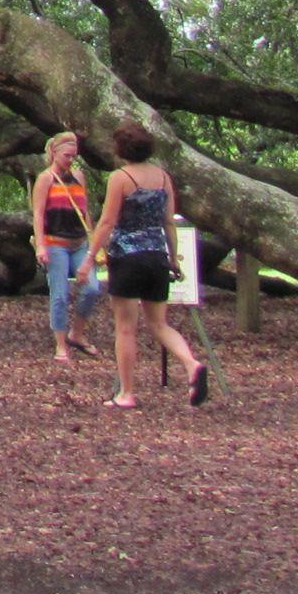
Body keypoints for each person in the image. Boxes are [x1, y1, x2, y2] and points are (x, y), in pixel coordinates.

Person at [81, 121, 208, 411]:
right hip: (156, 257)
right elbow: (168, 221)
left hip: (127, 258)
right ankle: (192, 364)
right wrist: (173, 258)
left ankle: (126, 393)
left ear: (121, 148)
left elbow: (109, 222)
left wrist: (90, 258)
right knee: (159, 324)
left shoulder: (120, 178)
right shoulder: (163, 178)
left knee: (126, 328)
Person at [29, 130, 105, 364]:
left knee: (92, 288)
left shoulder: (79, 177)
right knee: (59, 295)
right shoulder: (45, 179)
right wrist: (40, 245)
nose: (70, 160)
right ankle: (61, 345)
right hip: (55, 244)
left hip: (79, 242)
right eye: (67, 155)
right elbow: (38, 214)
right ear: (54, 153)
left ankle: (77, 333)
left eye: (74, 156)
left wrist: (93, 242)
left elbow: (84, 213)